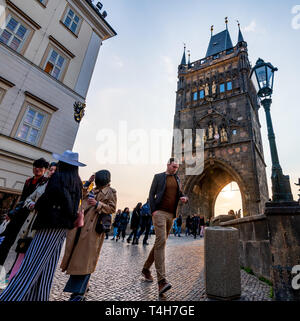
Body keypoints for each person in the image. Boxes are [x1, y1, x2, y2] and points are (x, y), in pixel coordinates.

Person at [0, 150, 85, 301]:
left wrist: (36, 205)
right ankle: (38, 297)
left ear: (62, 164)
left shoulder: (58, 177)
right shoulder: (77, 181)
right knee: (47, 267)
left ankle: (12, 297)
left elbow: (46, 200)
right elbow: (73, 208)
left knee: (31, 264)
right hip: (62, 228)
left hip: (48, 225)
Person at [61, 170, 117, 301]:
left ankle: (78, 292)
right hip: (81, 225)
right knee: (77, 258)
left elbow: (112, 208)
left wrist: (98, 204)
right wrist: (88, 182)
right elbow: (80, 194)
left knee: (85, 260)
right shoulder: (93, 189)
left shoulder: (111, 191)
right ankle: (82, 287)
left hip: (93, 228)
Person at [4, 162, 57, 285]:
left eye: (54, 170)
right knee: (20, 248)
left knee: (30, 252)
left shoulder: (55, 187)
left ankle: (20, 278)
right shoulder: (41, 183)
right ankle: (12, 275)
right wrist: (30, 205)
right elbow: (27, 198)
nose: (52, 172)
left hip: (39, 224)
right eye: (51, 169)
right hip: (28, 221)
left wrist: (38, 206)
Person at [141, 158, 188, 295]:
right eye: (173, 166)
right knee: (161, 242)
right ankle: (162, 282)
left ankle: (145, 269)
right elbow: (151, 194)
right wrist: (154, 211)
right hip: (159, 212)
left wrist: (184, 198)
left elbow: (180, 194)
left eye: (177, 167)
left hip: (171, 215)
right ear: (168, 164)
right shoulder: (158, 177)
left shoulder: (177, 179)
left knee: (159, 243)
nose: (175, 169)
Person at [0, 158, 49, 270]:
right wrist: (12, 213)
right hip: (19, 215)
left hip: (29, 218)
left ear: (45, 170)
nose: (37, 169)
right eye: (35, 166)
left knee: (20, 245)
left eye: (40, 167)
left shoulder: (44, 183)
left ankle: (13, 270)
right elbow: (22, 199)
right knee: (7, 241)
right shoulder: (28, 181)